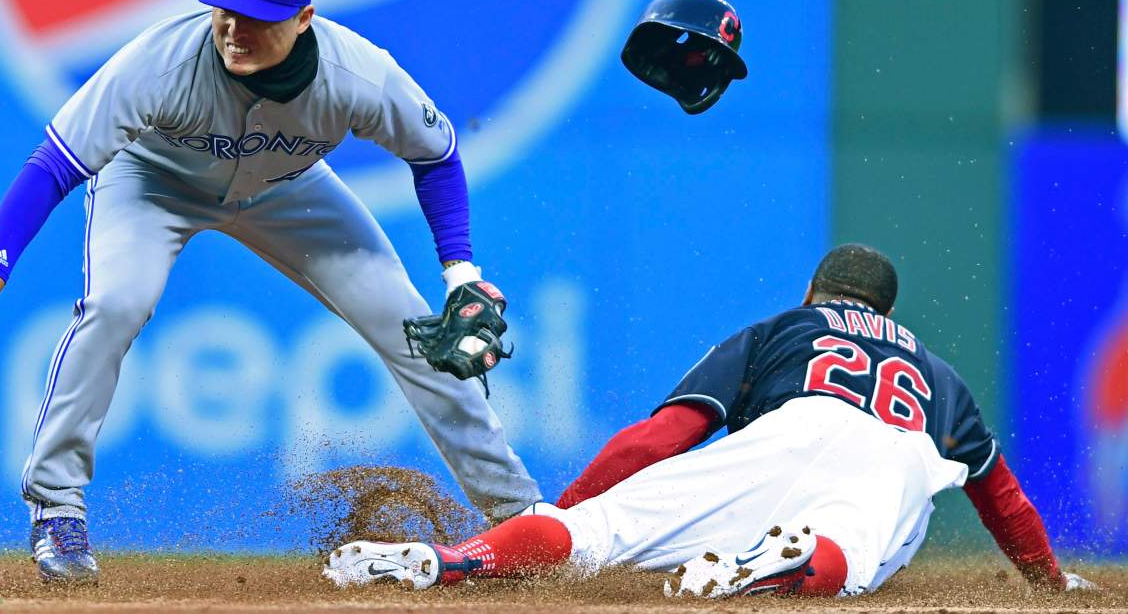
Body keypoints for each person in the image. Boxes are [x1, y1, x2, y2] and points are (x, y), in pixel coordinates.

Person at [0, 0, 541, 583]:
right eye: (226, 8)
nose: (234, 28)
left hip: (288, 189)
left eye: (256, 17)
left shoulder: (357, 74)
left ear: (304, 18)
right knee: (115, 303)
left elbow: (437, 155)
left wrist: (462, 274)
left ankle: (520, 516)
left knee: (413, 328)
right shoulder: (161, 62)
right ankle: (56, 507)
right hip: (152, 183)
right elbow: (53, 166)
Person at [323, 244, 1095, 597]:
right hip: (890, 459)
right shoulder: (939, 375)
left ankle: (450, 562)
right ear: (887, 312)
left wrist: (571, 509)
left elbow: (660, 439)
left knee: (594, 537)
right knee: (849, 556)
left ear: (813, 291)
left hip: (781, 432)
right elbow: (1005, 501)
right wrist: (1050, 581)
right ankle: (785, 563)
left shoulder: (780, 331)